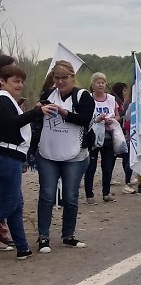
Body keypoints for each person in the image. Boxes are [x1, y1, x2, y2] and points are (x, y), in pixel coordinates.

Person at [30, 60, 94, 253]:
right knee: (47, 195)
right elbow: (38, 119)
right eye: (56, 78)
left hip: (75, 154)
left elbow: (85, 120)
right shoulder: (48, 95)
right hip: (48, 151)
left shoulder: (83, 96)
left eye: (64, 77)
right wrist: (37, 109)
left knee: (70, 196)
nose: (60, 81)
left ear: (73, 77)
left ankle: (68, 235)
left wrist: (64, 112)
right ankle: (43, 236)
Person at [0, 62, 56, 260]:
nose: (20, 85)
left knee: (16, 204)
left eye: (22, 81)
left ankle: (22, 248)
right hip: (7, 155)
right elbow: (10, 124)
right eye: (15, 81)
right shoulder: (3, 99)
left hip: (12, 155)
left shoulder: (9, 100)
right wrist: (36, 113)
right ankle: (22, 247)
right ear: (2, 81)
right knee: (11, 201)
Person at [83, 73, 120, 204]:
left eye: (103, 82)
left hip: (108, 135)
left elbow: (117, 116)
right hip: (93, 136)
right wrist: (96, 120)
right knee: (91, 166)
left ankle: (106, 192)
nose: (100, 85)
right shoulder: (87, 98)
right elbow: (84, 117)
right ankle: (89, 194)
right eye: (98, 82)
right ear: (92, 84)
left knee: (108, 165)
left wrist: (112, 120)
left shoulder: (111, 99)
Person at [110, 82, 136, 195]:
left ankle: (128, 180)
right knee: (118, 157)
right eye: (123, 90)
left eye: (126, 90)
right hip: (118, 133)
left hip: (123, 133)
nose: (125, 92)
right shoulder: (117, 101)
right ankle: (126, 181)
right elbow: (125, 119)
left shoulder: (125, 102)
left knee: (125, 157)